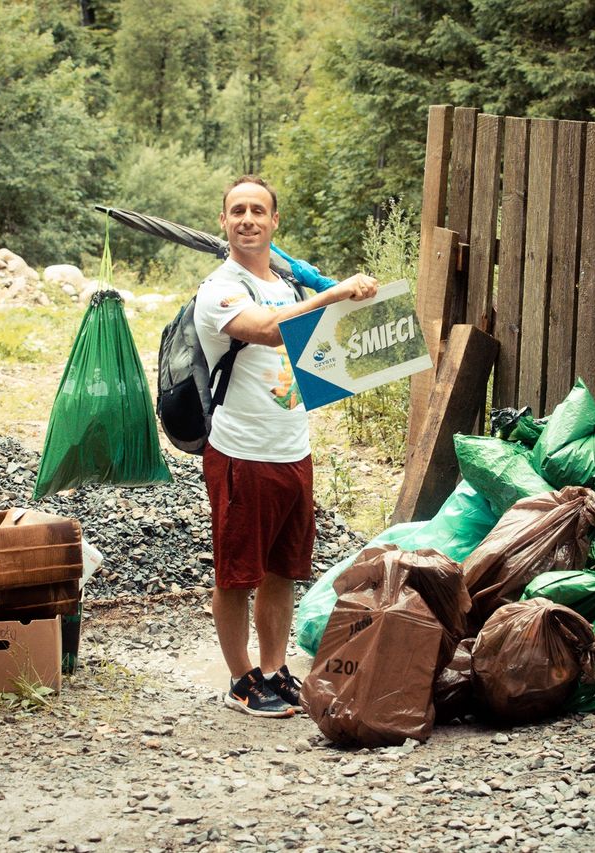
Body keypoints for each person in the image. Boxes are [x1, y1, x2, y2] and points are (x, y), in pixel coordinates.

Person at [194, 175, 379, 717]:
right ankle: (240, 680)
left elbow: (327, 354)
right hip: (239, 452)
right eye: (237, 211)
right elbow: (269, 332)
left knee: (283, 570)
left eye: (258, 211)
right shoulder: (220, 289)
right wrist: (336, 291)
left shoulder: (290, 285)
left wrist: (365, 315)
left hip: (292, 449)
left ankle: (274, 671)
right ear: (224, 223)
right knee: (237, 574)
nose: (248, 219)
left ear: (275, 223)